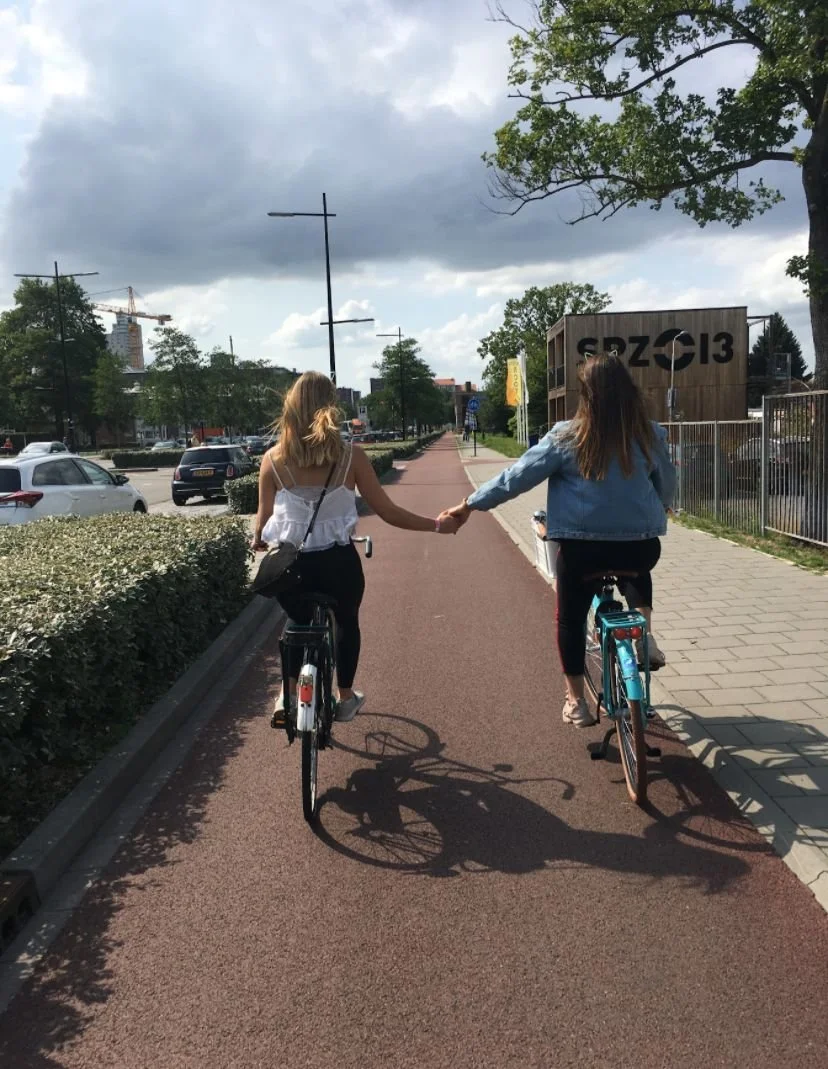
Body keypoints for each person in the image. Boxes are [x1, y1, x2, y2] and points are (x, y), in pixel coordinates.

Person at [440, 352, 676, 729]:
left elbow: (515, 479)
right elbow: (667, 484)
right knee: (637, 565)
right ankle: (644, 638)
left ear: (587, 394)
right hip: (641, 545)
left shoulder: (566, 437)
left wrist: (469, 505)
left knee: (569, 616)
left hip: (583, 550)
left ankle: (576, 702)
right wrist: (658, 508)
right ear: (628, 391)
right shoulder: (649, 434)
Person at [252, 371, 458, 727]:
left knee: (295, 622)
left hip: (293, 566)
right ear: (330, 407)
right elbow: (389, 512)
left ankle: (286, 696)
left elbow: (262, 519)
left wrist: (258, 540)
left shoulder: (272, 459)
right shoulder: (352, 458)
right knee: (346, 621)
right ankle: (344, 697)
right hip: (338, 564)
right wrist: (437, 525)